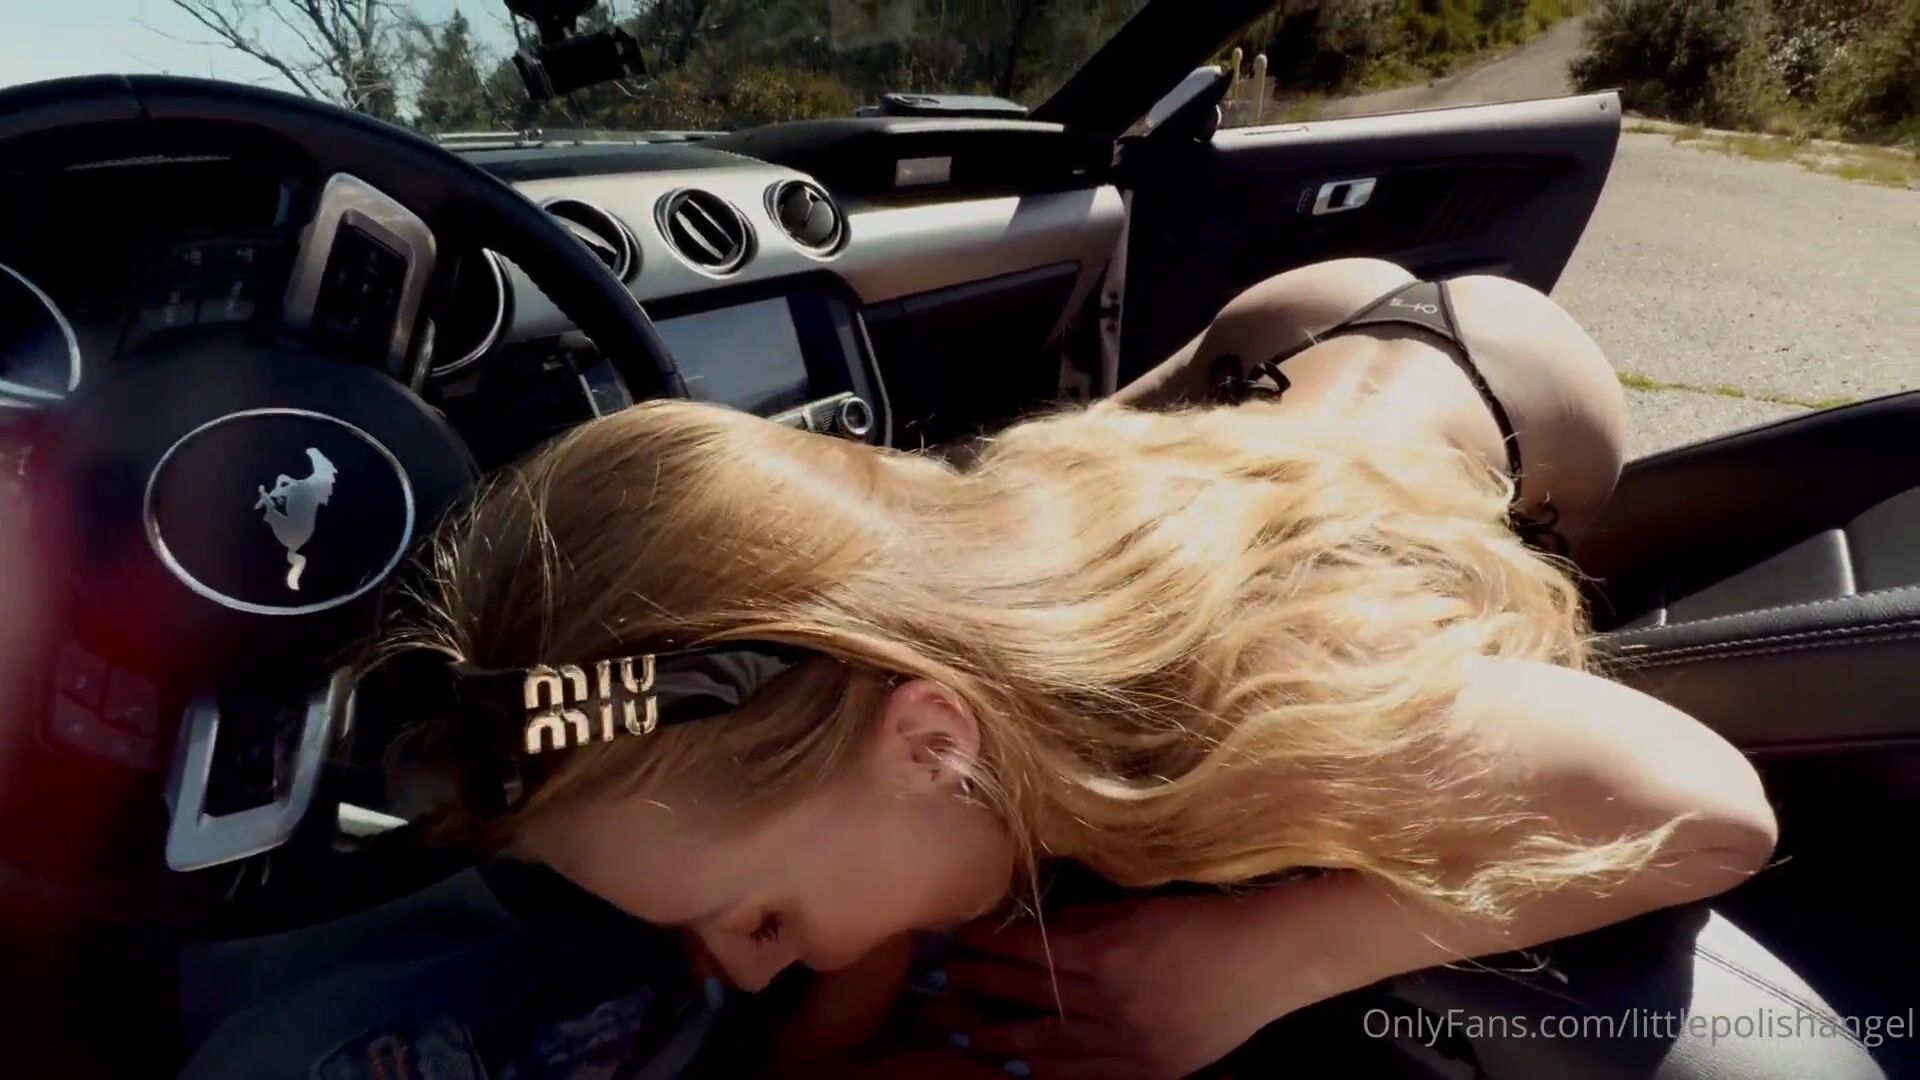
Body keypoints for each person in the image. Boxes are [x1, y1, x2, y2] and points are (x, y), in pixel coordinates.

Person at [374, 259, 1784, 1079]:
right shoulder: (892, 706)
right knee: (1029, 471)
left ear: (933, 742)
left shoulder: (1270, 703)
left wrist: (1254, 963)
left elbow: (1713, 812)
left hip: (1508, 375)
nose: (741, 973)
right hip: (1268, 351)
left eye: (762, 917)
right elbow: (849, 863)